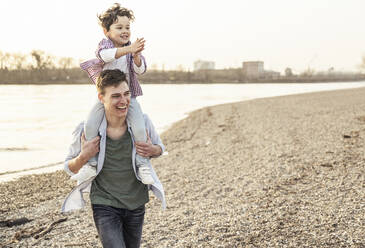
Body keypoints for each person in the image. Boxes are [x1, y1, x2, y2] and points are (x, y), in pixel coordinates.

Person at [62, 69, 166, 247]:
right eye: (116, 96)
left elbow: (160, 148)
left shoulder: (143, 122)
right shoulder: (86, 130)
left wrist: (152, 150)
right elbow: (69, 168)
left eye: (126, 94)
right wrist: (84, 156)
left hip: (136, 203)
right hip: (105, 204)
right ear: (101, 98)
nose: (123, 101)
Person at [72, 3, 154, 185]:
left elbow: (140, 71)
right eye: (119, 27)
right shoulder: (106, 45)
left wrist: (137, 57)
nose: (125, 31)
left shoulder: (131, 50)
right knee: (90, 124)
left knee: (139, 127)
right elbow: (105, 56)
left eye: (127, 27)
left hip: (128, 95)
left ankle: (142, 165)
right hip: (105, 96)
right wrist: (129, 49)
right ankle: (91, 165)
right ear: (106, 31)